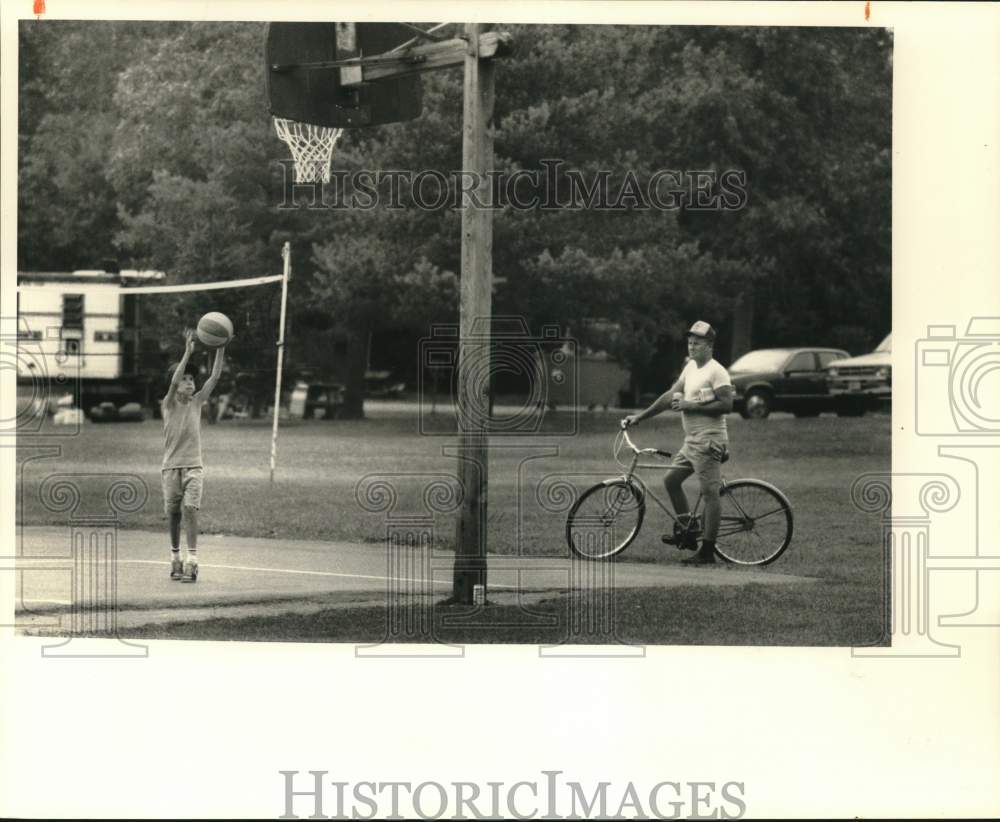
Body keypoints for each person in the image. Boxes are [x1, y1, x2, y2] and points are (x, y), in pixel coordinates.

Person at [622, 321, 734, 565]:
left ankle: (707, 552)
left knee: (710, 494)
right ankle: (688, 531)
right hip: (692, 441)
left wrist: (690, 405)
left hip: (709, 441)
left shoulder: (717, 371)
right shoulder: (690, 368)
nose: (692, 346)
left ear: (710, 345)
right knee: (671, 480)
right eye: (690, 342)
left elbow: (727, 404)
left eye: (698, 343)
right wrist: (640, 417)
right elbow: (668, 397)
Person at [161, 329, 227, 582]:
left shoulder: (198, 401)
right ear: (176, 384)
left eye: (192, 379)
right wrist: (187, 352)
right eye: (185, 379)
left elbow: (215, 375)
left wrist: (221, 346)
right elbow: (172, 381)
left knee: (190, 509)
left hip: (193, 467)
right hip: (170, 468)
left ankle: (192, 559)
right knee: (174, 513)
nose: (190, 382)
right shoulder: (168, 403)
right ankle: (175, 557)